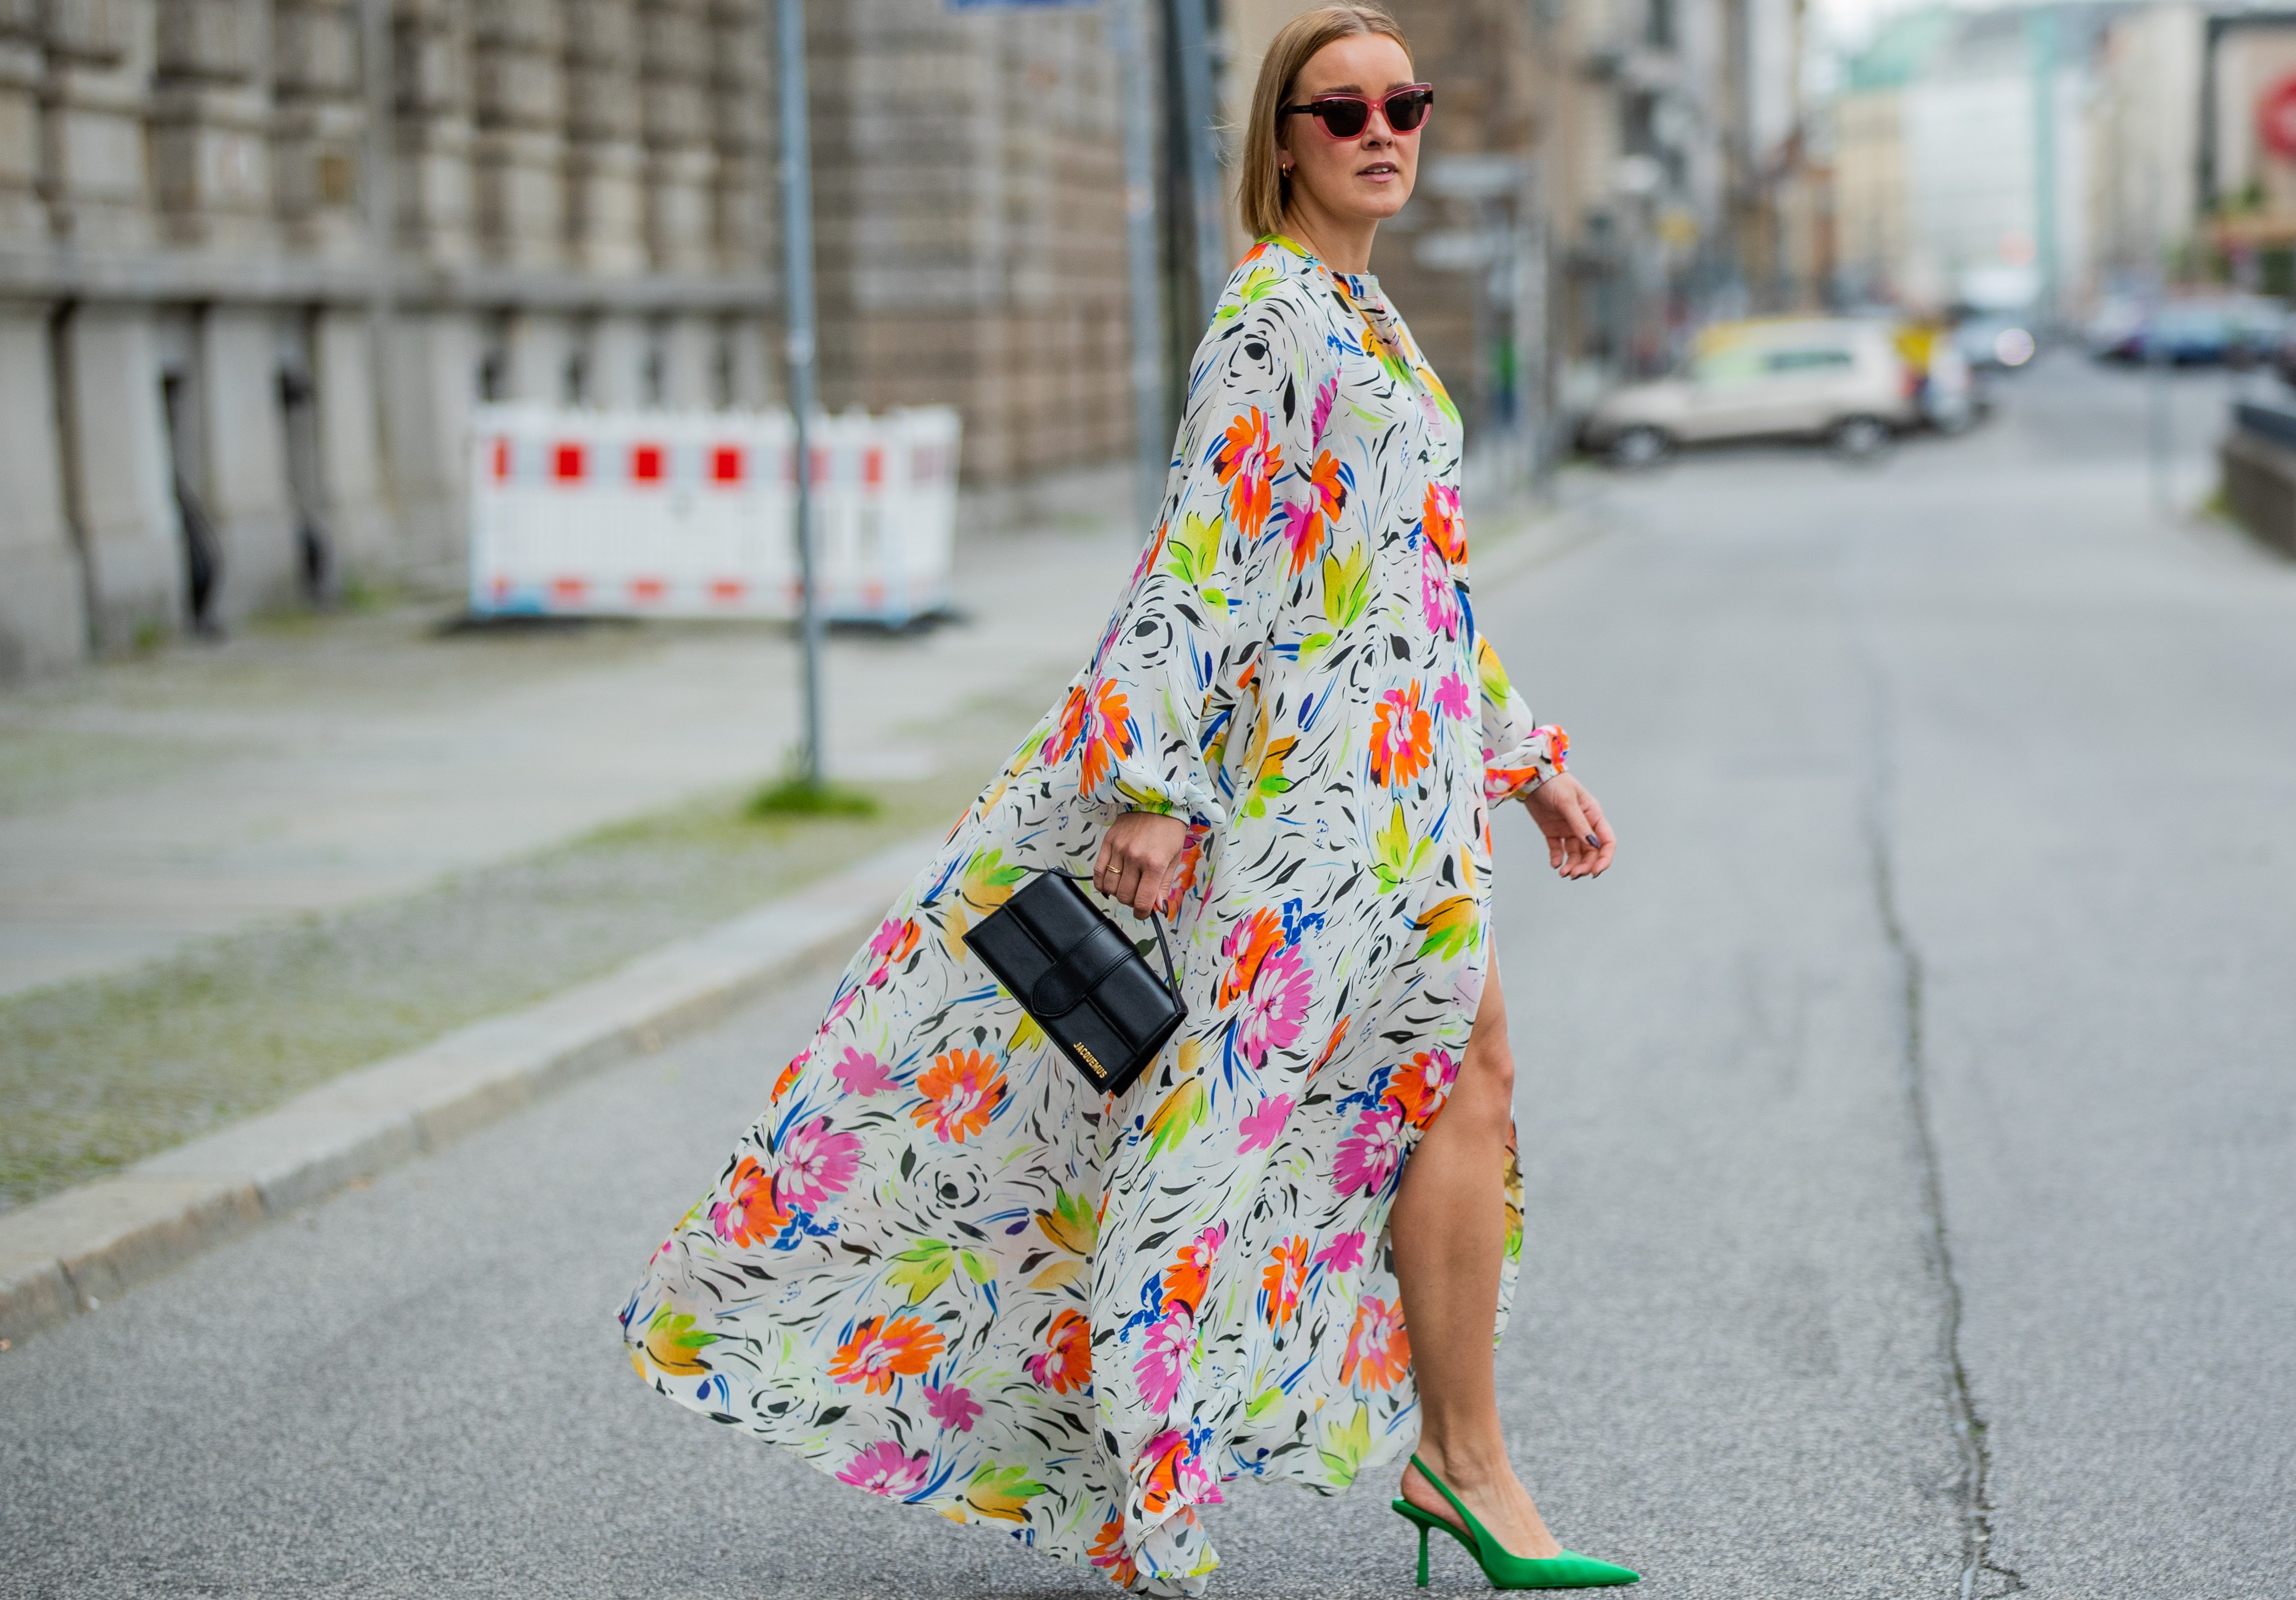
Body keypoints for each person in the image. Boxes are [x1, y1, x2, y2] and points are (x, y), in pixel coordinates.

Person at [620, 6, 1632, 1592]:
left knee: (1471, 1081)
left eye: (1403, 104)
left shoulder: (1371, 321)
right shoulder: (1270, 316)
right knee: (1210, 1141)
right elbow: (1200, 562)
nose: (1382, 131)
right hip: (1306, 812)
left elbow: (1412, 589)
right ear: (1280, 140)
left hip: (1405, 801)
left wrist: (1527, 763)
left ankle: (1460, 1461)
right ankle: (1154, 1505)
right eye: (1340, 109)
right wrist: (1151, 784)